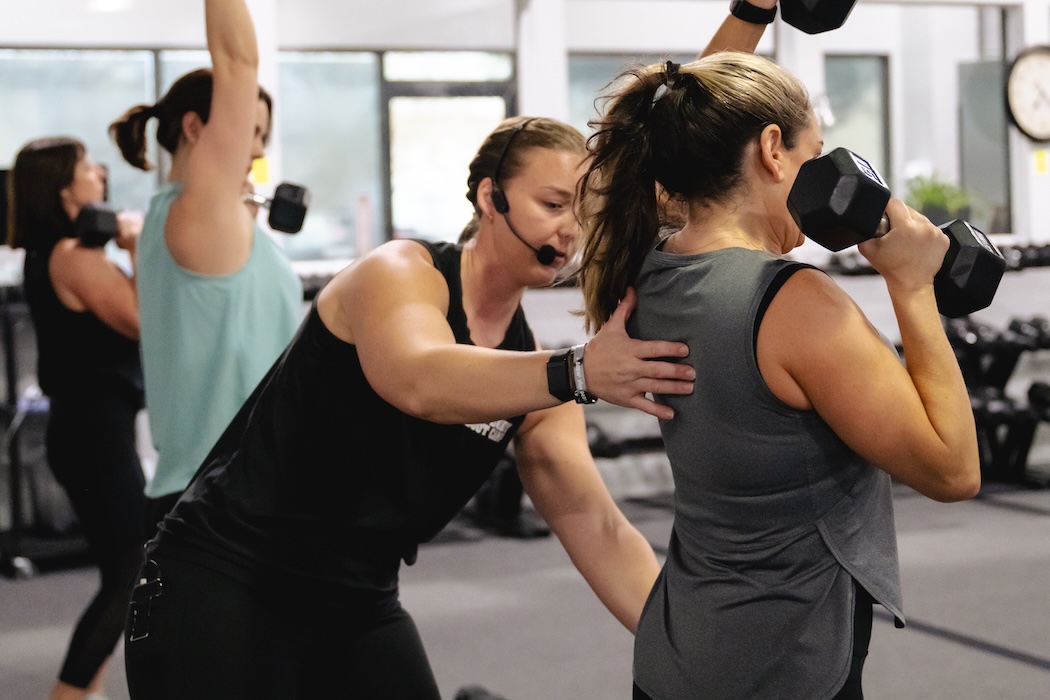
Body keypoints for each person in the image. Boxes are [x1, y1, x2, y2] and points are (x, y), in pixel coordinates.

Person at [576, 51, 982, 700]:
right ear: (772, 149)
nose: (824, 175)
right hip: (784, 667)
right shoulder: (796, 303)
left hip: (676, 656)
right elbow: (954, 470)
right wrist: (913, 288)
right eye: (815, 154)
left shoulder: (648, 274)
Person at [108, 0, 303, 537]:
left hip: (247, 486)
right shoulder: (197, 214)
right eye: (250, 133)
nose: (256, 151)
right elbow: (238, 61)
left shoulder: (193, 222)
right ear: (196, 129)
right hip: (221, 497)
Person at [7, 136, 146, 700]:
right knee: (129, 577)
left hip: (90, 430)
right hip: (94, 435)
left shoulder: (51, 253)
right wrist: (136, 248)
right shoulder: (74, 256)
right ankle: (68, 696)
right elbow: (142, 318)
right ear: (64, 187)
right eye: (88, 167)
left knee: (124, 573)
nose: (100, 174)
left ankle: (83, 695)